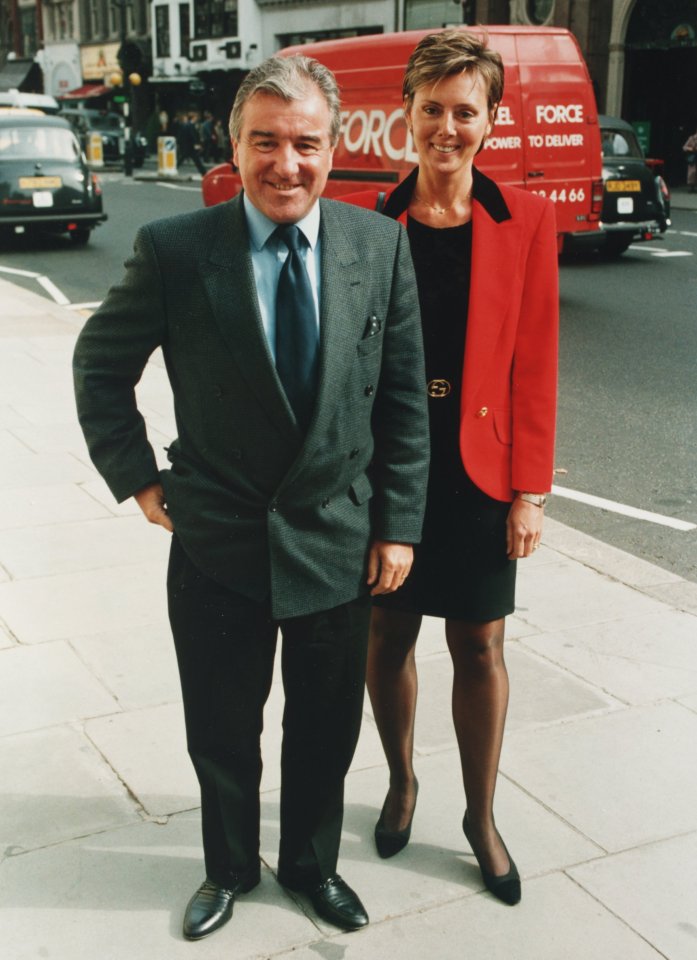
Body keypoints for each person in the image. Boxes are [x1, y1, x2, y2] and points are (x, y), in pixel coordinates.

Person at [73, 55, 429, 941]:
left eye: (305, 143)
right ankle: (229, 868)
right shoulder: (175, 251)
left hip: (336, 540)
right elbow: (100, 367)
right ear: (233, 145)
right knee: (223, 733)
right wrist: (140, 480)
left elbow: (400, 399)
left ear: (334, 147)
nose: (285, 163)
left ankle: (311, 867)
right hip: (218, 542)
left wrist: (398, 528)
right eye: (263, 141)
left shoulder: (377, 246)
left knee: (323, 732)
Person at [343, 29, 558, 906]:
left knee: (479, 642)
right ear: (407, 114)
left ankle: (479, 816)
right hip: (391, 465)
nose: (446, 126)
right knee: (388, 634)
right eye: (430, 108)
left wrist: (529, 491)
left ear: (491, 120)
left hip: (479, 469)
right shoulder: (366, 226)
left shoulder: (524, 221)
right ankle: (400, 781)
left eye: (464, 111)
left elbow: (535, 362)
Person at [683, 126, 697, 192]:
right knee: (692, 172)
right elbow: (684, 147)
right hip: (693, 156)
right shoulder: (692, 138)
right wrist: (691, 149)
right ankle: (692, 187)